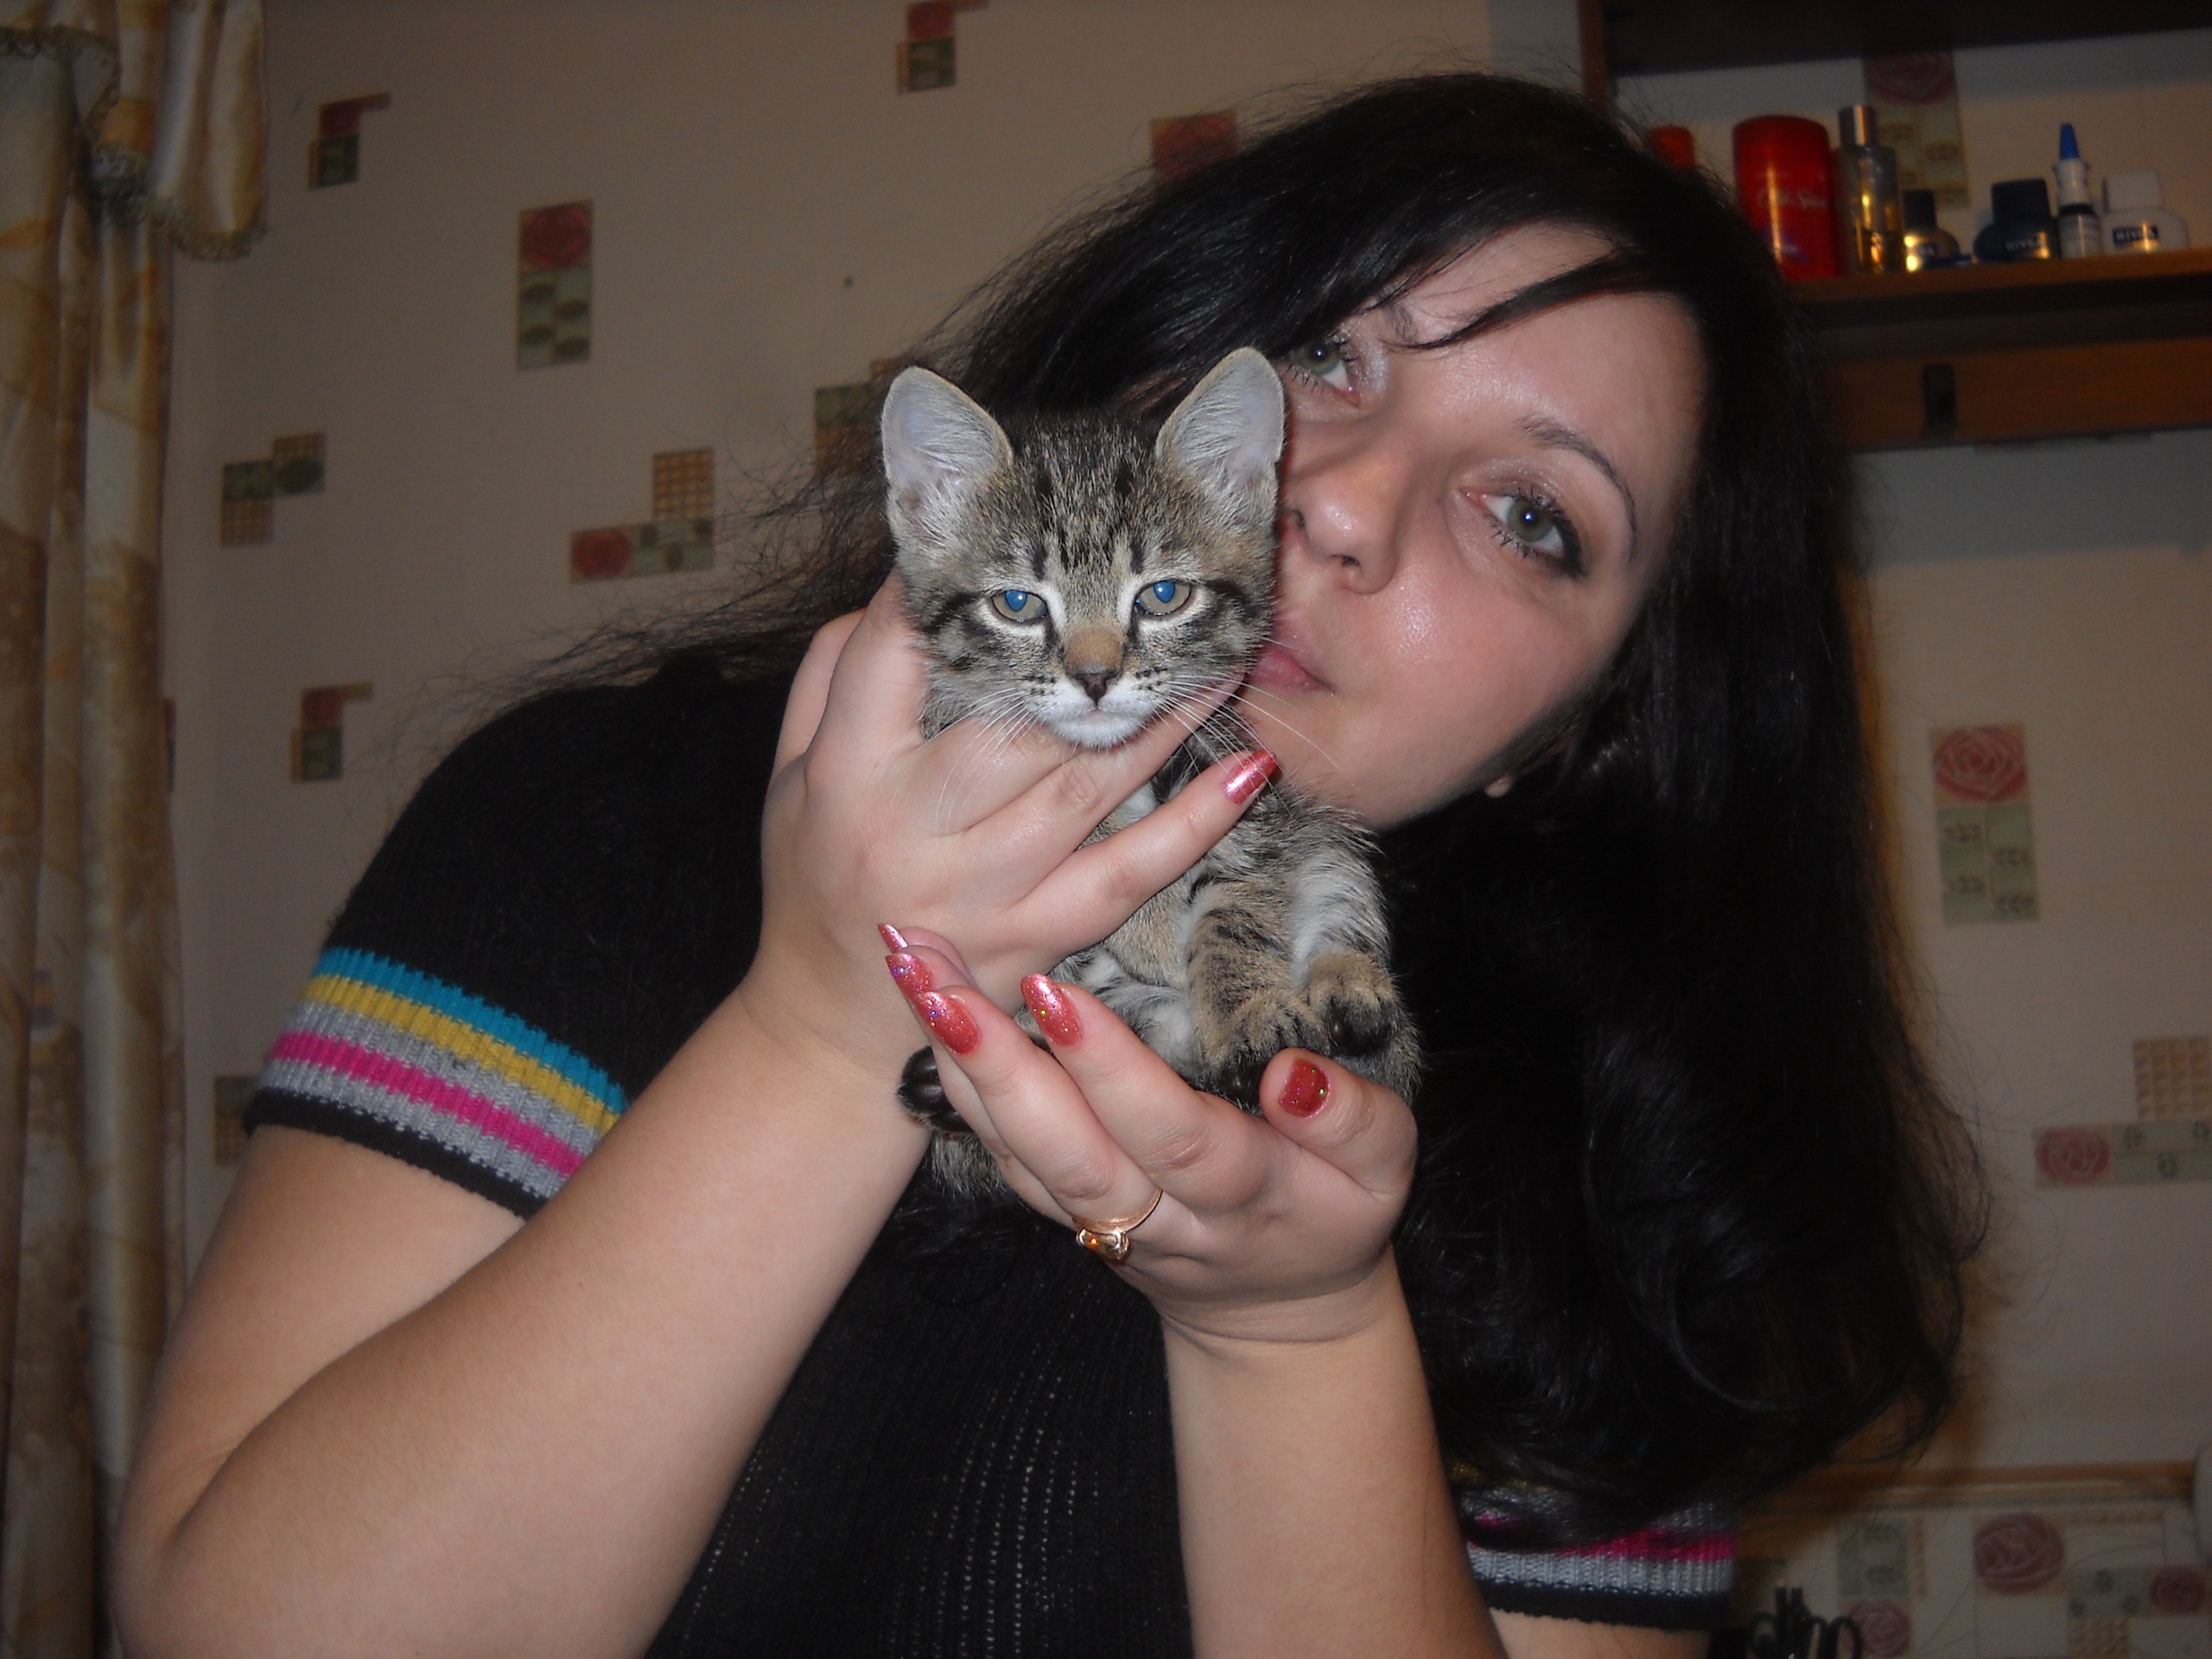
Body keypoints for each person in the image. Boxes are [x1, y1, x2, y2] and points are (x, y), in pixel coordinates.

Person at [114, 73, 1981, 1658]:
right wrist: (814, 1031)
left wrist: (1297, 1331)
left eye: (1530, 515)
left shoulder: (1628, 1174)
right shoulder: (587, 829)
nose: (1333, 502)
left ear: (1573, 733)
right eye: (1324, 353)